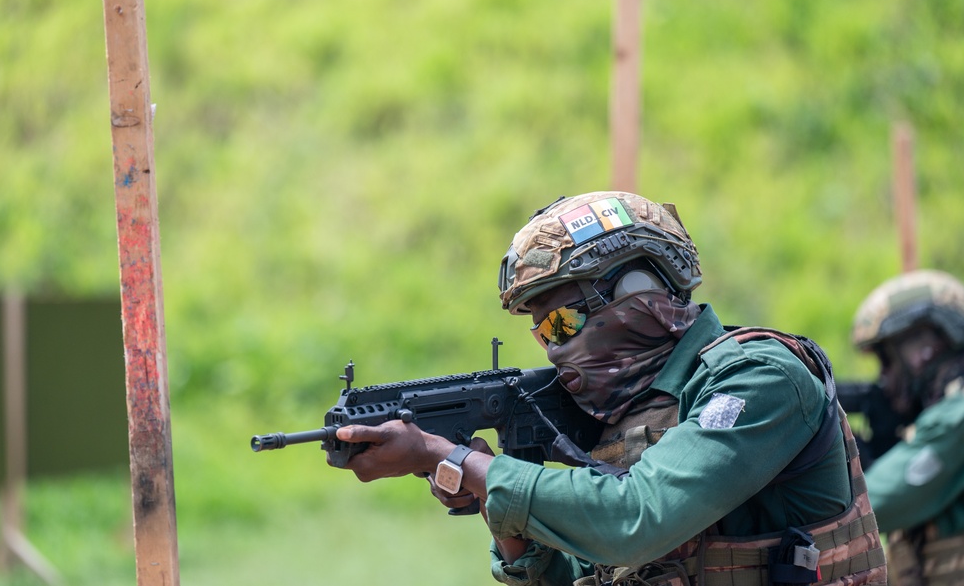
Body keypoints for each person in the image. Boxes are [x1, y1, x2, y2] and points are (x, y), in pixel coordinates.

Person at [334, 191, 886, 586]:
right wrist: (500, 516)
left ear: (637, 292)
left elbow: (637, 521)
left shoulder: (760, 377)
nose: (553, 347)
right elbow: (601, 568)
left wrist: (449, 456)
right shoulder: (633, 413)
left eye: (564, 321)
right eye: (542, 330)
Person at [850, 269, 964, 586]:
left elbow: (870, 508)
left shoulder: (960, 414)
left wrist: (848, 460)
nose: (885, 379)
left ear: (926, 348)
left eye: (888, 360)